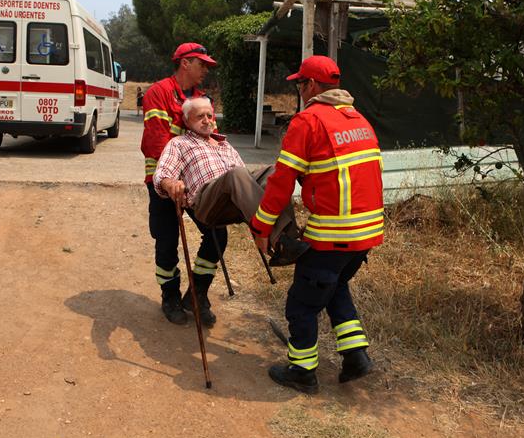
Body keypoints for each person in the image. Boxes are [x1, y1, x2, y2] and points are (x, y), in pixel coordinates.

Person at [250, 55, 385, 394]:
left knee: (301, 304)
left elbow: (282, 182)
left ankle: (302, 372)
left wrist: (261, 228)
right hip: (367, 234)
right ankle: (356, 356)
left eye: (300, 84)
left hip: (333, 235)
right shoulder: (358, 118)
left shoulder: (307, 121)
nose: (298, 89)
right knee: (336, 287)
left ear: (311, 86)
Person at [153, 97, 308, 325]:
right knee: (236, 175)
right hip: (207, 202)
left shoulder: (225, 144)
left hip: (233, 200)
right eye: (200, 116)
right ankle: (279, 241)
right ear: (187, 121)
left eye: (209, 115)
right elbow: (161, 173)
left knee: (275, 172)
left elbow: (245, 177)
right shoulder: (180, 144)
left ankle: (287, 236)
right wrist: (170, 184)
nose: (207, 120)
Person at [140, 42, 218, 326]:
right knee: (167, 242)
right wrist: (172, 180)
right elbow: (157, 141)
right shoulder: (158, 93)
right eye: (202, 64)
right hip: (164, 183)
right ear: (185, 62)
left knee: (218, 235)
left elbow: (211, 137)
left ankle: (197, 295)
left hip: (196, 185)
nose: (206, 70)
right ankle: (170, 297)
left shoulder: (202, 99)